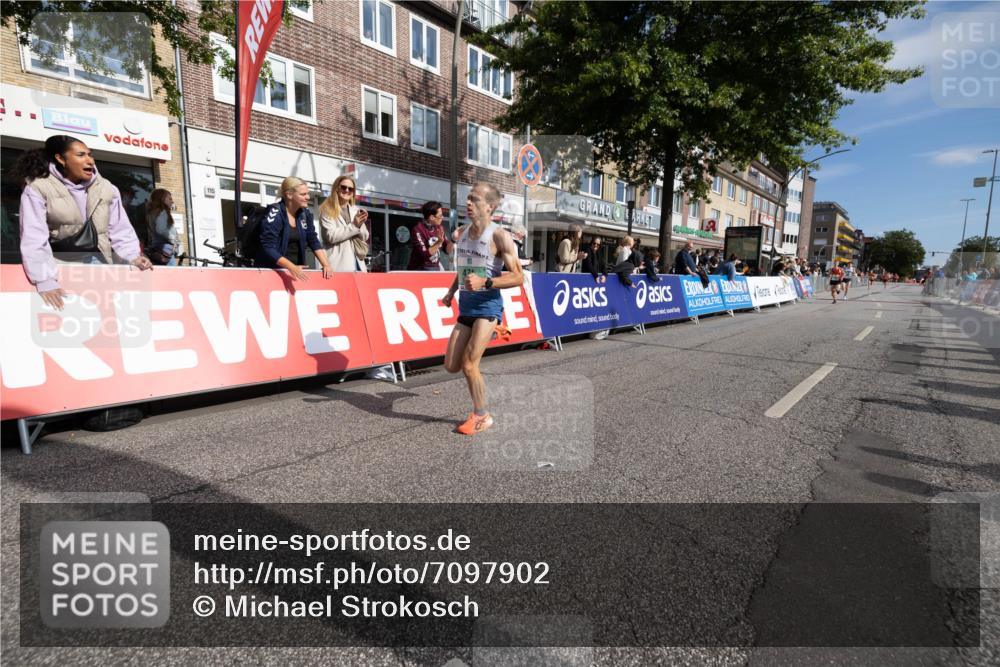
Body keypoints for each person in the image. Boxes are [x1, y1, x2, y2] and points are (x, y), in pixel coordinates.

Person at [12, 134, 153, 310]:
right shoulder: (38, 188)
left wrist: (133, 256)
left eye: (90, 154)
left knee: (106, 315)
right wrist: (44, 279)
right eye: (81, 155)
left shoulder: (107, 188)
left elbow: (120, 228)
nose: (90, 161)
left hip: (102, 264)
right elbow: (33, 237)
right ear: (60, 158)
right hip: (62, 266)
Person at [441, 183, 524, 435]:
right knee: (451, 365)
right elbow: (464, 268)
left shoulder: (499, 236)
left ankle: (481, 415)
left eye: (474, 199)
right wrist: (451, 291)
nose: (468, 203)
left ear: (489, 206)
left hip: (488, 305)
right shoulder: (463, 233)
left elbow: (518, 277)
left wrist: (486, 282)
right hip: (466, 306)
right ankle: (493, 328)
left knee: (469, 364)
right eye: (468, 199)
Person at [257, 176, 332, 280]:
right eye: (303, 194)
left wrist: (325, 264)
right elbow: (267, 246)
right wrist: (291, 267)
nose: (308, 197)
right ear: (289, 195)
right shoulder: (275, 213)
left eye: (307, 193)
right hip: (273, 272)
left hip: (296, 272)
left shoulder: (304, 214)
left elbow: (313, 239)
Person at [319, 175, 368, 272]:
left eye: (351, 189)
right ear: (336, 188)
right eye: (343, 187)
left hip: (358, 263)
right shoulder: (327, 210)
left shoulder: (356, 210)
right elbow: (331, 236)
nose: (347, 190)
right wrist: (354, 226)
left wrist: (360, 224)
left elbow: (365, 236)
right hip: (338, 264)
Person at [408, 200, 450, 270]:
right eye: (440, 215)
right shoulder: (418, 229)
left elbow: (447, 250)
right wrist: (439, 242)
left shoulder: (439, 228)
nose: (443, 217)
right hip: (420, 269)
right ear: (431, 217)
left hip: (435, 267)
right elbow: (425, 255)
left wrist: (454, 239)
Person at [146, 188, 180, 266]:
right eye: (169, 199)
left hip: (157, 250)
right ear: (162, 199)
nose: (172, 201)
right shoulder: (162, 211)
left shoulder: (152, 213)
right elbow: (161, 229)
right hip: (166, 252)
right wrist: (173, 241)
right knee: (171, 276)